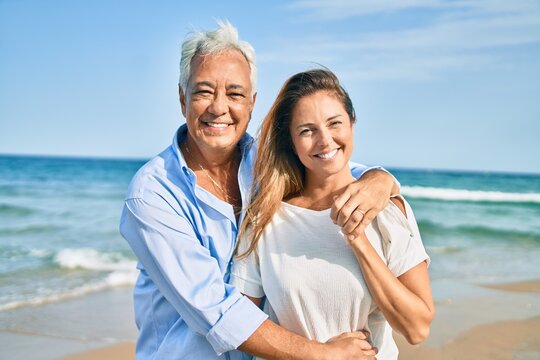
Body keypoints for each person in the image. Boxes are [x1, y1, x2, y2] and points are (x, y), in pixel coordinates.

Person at [120, 20, 399, 360]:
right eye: (204, 91)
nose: (219, 108)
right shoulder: (151, 194)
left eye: (234, 94)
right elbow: (216, 310)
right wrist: (322, 355)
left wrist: (379, 179)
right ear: (182, 98)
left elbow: (330, 165)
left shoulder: (269, 162)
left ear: (252, 103)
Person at [231, 69, 434, 360]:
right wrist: (319, 354)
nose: (325, 140)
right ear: (291, 141)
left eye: (334, 123)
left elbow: (417, 328)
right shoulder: (264, 218)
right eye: (307, 130)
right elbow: (242, 325)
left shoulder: (386, 210)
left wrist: (358, 241)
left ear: (352, 124)